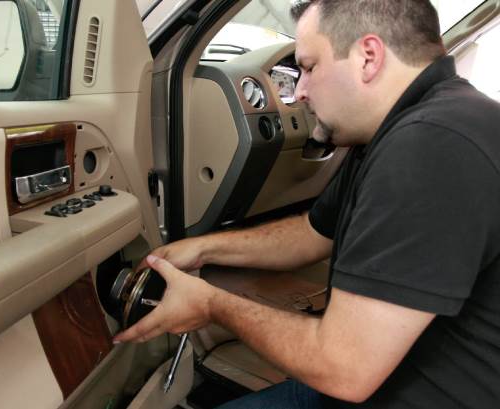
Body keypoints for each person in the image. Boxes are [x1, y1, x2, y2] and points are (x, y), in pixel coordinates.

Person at [113, 1, 500, 408]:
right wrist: (204, 247)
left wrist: (211, 304)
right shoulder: (406, 124)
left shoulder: (430, 146)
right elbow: (314, 234)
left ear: (368, 57)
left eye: (309, 67)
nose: (298, 91)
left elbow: (343, 368)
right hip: (388, 374)